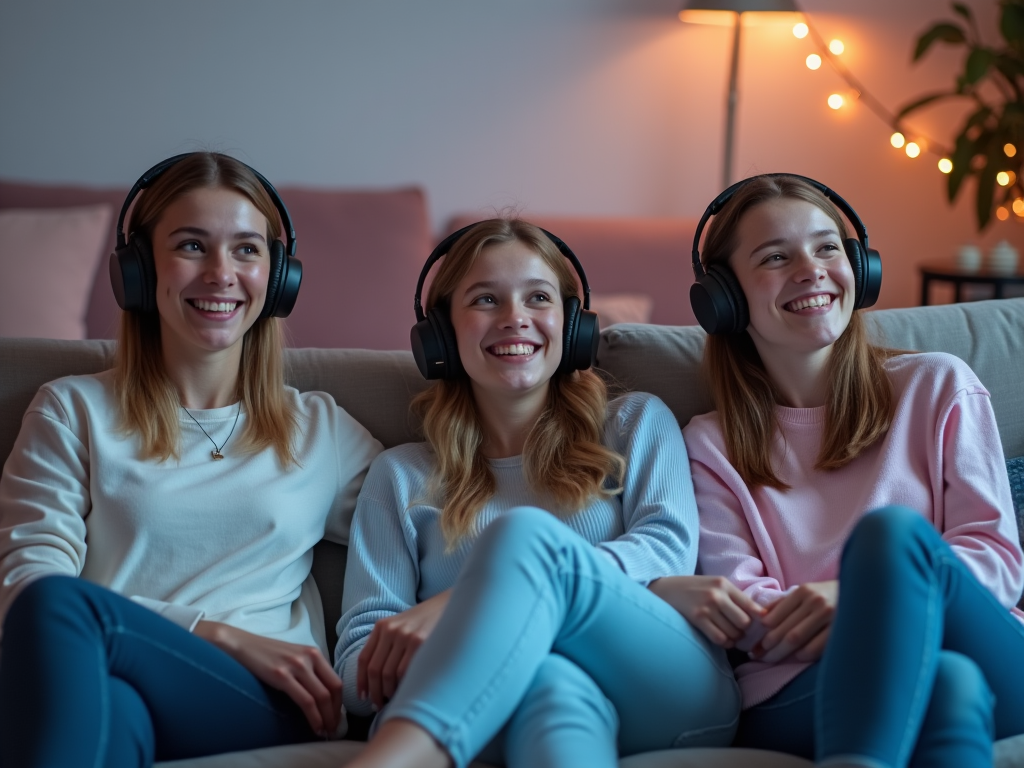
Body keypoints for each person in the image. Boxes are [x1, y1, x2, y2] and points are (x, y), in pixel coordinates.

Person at [0, 152, 382, 767]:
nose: (221, 273)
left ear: (278, 277)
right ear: (138, 270)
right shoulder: (73, 411)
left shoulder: (320, 430)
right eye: (191, 245)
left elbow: (434, 522)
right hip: (110, 674)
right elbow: (24, 588)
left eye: (247, 250)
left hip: (273, 701)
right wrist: (217, 634)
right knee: (109, 698)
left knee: (62, 610)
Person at [334, 218, 742, 768]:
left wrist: (465, 604)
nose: (514, 319)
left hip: (663, 687)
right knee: (551, 681)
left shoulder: (635, 423)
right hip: (509, 705)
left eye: (538, 297)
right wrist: (502, 625)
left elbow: (668, 551)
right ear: (441, 334)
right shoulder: (399, 476)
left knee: (523, 536)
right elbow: (360, 672)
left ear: (572, 325)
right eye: (485, 300)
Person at [682, 173, 1024, 767]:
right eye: (775, 257)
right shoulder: (709, 444)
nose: (811, 269)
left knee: (891, 538)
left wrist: (863, 597)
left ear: (859, 269)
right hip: (803, 686)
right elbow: (744, 613)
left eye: (827, 247)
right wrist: (878, 615)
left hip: (991, 651)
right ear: (724, 299)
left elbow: (995, 559)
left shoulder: (938, 385)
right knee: (947, 685)